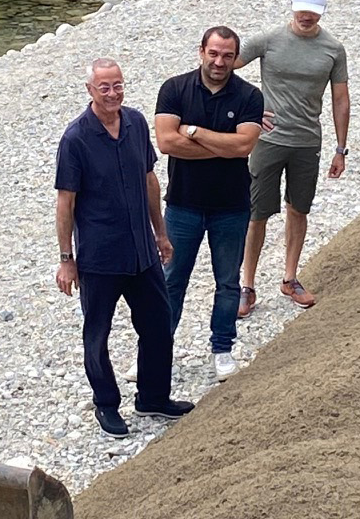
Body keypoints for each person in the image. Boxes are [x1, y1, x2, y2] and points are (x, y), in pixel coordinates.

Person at [55, 58, 195, 438]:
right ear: (90, 90)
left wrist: (161, 234)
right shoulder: (76, 138)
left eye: (117, 85)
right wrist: (67, 260)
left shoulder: (134, 123)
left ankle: (153, 396)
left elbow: (150, 180)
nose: (113, 93)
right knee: (97, 334)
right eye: (104, 87)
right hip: (100, 257)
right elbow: (65, 202)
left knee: (157, 323)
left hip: (142, 250)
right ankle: (107, 404)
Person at [154, 26, 265, 382]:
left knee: (228, 282)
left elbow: (243, 147)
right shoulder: (174, 89)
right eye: (213, 53)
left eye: (227, 56)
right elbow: (167, 143)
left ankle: (222, 348)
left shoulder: (249, 96)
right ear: (201, 51)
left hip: (231, 205)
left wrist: (195, 132)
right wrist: (222, 146)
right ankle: (158, 348)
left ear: (235, 58)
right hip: (183, 203)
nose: (219, 62)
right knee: (171, 280)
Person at [235, 0, 350, 317]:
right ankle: (247, 285)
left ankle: (289, 278)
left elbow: (340, 99)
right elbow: (224, 66)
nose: (306, 17)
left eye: (313, 13)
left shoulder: (333, 49)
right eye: (302, 11)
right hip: (268, 141)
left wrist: (341, 148)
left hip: (306, 142)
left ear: (322, 13)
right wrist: (248, 111)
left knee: (298, 209)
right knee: (257, 213)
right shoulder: (269, 41)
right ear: (292, 6)